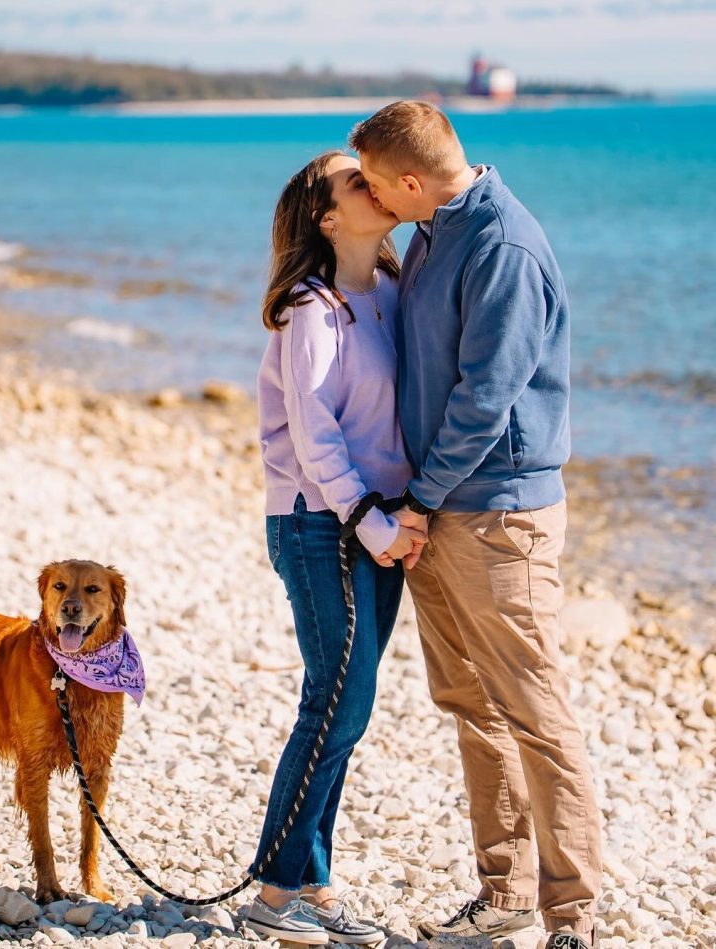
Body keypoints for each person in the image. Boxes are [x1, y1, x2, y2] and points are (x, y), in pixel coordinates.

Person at [349, 101, 602, 949]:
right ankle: (506, 895)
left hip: (498, 517)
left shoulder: (501, 244)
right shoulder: (433, 228)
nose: (378, 203)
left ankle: (575, 918)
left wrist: (418, 501)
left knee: (535, 709)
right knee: (470, 704)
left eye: (382, 189)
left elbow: (487, 397)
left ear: (413, 180)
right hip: (441, 505)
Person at [247, 150, 427, 946]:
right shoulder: (309, 307)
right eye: (356, 178)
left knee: (347, 708)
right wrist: (374, 524)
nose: (375, 181)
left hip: (372, 521)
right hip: (320, 521)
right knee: (335, 699)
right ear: (326, 217)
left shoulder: (389, 290)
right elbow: (318, 440)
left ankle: (311, 881)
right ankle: (273, 894)